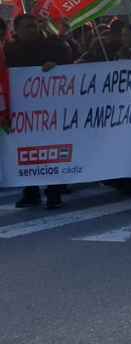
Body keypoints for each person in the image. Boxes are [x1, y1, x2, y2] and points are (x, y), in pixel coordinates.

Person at [5, 14, 73, 209]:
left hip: (49, 111)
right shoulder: (10, 50)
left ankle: (53, 191)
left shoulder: (51, 44)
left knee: (51, 149)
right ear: (16, 30)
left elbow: (68, 55)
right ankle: (31, 191)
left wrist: (55, 65)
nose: (32, 30)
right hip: (23, 112)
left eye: (34, 26)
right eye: (27, 27)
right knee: (26, 151)